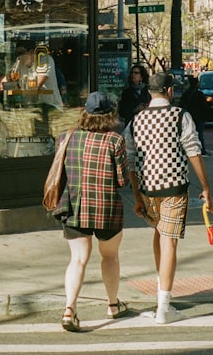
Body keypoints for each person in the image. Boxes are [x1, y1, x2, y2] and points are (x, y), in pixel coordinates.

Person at [123, 71, 213, 325]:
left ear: (149, 92)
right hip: (174, 186)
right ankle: (164, 305)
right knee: (169, 242)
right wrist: (206, 187)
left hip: (148, 188)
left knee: (158, 235)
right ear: (170, 91)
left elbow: (131, 160)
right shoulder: (180, 116)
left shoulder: (136, 120)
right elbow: (193, 150)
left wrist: (136, 194)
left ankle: (161, 294)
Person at [54, 91, 131, 332]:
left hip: (75, 206)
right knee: (109, 256)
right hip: (107, 209)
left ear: (84, 113)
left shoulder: (66, 138)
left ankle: (70, 309)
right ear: (110, 115)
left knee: (78, 259)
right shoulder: (115, 141)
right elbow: (122, 181)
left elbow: (61, 174)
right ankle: (112, 305)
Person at [179, 74, 209, 155]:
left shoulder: (186, 94)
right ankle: (202, 150)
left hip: (189, 116)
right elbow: (204, 106)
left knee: (189, 134)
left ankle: (189, 150)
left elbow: (181, 104)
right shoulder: (199, 94)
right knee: (199, 135)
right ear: (197, 84)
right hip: (199, 117)